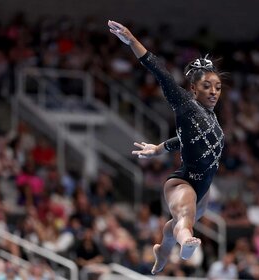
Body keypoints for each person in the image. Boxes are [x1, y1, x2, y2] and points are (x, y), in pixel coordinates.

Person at [108, 20, 224, 274]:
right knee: (184, 220)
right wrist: (131, 40)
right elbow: (161, 72)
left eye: (217, 87)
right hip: (183, 182)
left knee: (175, 224)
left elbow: (188, 139)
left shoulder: (211, 117)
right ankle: (187, 243)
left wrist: (160, 147)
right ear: (193, 89)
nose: (214, 92)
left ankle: (163, 250)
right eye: (207, 86)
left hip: (203, 189)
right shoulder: (185, 103)